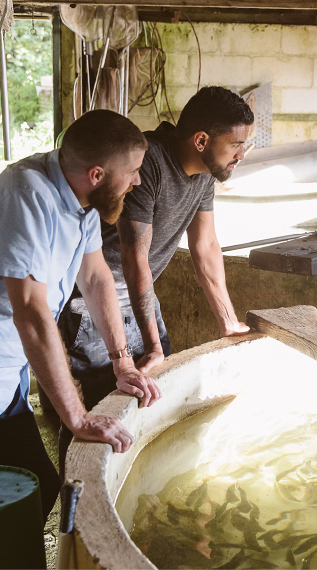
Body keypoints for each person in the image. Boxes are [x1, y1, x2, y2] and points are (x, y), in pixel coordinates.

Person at [58, 86, 254, 470]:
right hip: (94, 306)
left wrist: (228, 322)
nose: (241, 155)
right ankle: (77, 499)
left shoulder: (203, 175)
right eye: (236, 145)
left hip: (142, 300)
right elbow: (135, 260)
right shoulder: (147, 163)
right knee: (103, 413)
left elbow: (206, 247)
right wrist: (153, 345)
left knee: (153, 397)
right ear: (201, 140)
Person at [0, 110, 161, 524]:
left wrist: (122, 361)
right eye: (134, 171)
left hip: (8, 367)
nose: (138, 181)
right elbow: (31, 315)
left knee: (34, 486)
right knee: (22, 491)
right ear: (98, 173)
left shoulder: (84, 200)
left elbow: (96, 277)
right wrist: (77, 417)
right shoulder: (27, 194)